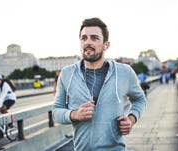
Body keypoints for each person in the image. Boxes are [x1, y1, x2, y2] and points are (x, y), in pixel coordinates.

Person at [52, 17, 146, 150]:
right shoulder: (67, 74)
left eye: (94, 38)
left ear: (106, 45)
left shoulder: (124, 72)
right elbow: (56, 112)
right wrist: (74, 114)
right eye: (84, 38)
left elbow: (140, 99)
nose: (88, 42)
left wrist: (131, 119)